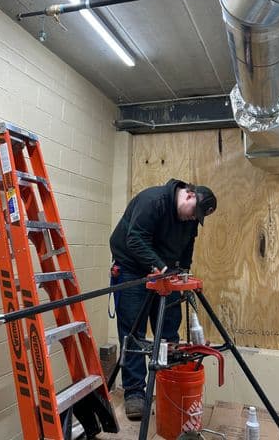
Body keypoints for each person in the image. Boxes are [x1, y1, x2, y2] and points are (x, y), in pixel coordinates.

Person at [109, 178, 217, 420]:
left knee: (170, 327)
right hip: (132, 269)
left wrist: (183, 272)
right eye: (194, 212)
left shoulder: (190, 219)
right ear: (189, 195)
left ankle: (169, 384)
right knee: (132, 331)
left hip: (165, 272)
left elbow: (188, 245)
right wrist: (161, 266)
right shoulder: (153, 201)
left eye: (197, 217)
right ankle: (135, 394)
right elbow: (134, 239)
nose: (193, 219)